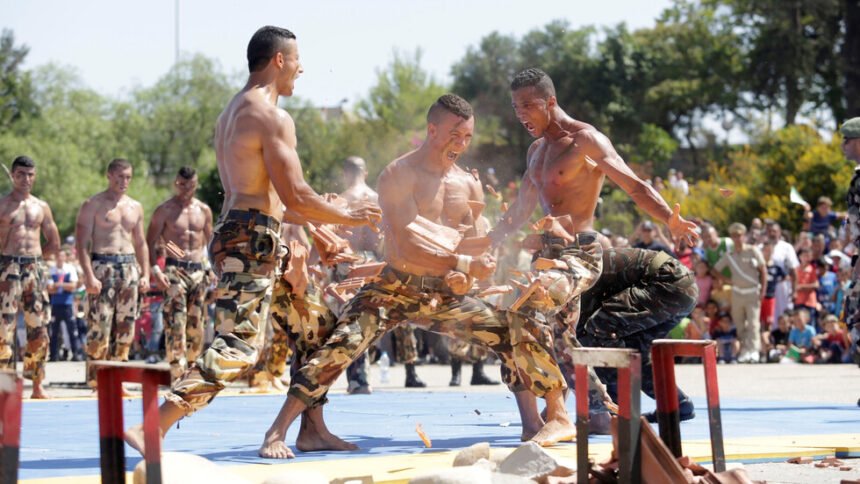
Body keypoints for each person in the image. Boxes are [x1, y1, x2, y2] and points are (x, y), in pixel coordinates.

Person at [257, 94, 578, 458]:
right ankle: (277, 431)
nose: (461, 144)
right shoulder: (398, 173)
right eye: (455, 134)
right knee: (340, 344)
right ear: (432, 130)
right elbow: (408, 241)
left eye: (468, 138)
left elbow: (471, 242)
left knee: (515, 329)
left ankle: (541, 419)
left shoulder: (469, 185)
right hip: (394, 288)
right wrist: (462, 263)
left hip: (444, 295)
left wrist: (485, 256)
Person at [124, 25, 381, 457]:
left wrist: (322, 219)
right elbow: (294, 196)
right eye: (297, 60)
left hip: (254, 235)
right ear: (279, 60)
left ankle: (313, 429)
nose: (302, 69)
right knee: (241, 345)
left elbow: (281, 200)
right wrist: (347, 214)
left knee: (317, 329)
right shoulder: (271, 116)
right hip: (251, 240)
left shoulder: (233, 112)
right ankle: (155, 424)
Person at [488, 68, 699, 429]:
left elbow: (633, 185)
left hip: (579, 253)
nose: (521, 114)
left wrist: (670, 219)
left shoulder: (586, 140)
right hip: (547, 257)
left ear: (551, 102)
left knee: (553, 323)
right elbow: (521, 209)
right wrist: (488, 241)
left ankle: (595, 408)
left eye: (528, 105)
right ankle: (560, 414)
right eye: (515, 106)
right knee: (527, 327)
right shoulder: (536, 151)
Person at [338, 156, 426, 390]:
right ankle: (409, 370)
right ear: (365, 173)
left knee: (354, 319)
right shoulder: (379, 200)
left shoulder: (342, 200)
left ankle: (359, 378)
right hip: (380, 262)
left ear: (345, 174)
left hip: (353, 264)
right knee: (393, 315)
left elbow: (336, 239)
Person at [75, 158, 150, 389]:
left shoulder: (135, 206)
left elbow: (140, 243)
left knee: (126, 326)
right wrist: (88, 275)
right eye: (119, 176)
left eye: (128, 177)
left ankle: (119, 380)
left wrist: (145, 273)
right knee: (100, 324)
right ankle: (97, 380)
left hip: (129, 268)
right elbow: (81, 244)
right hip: (102, 266)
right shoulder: (93, 204)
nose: (124, 181)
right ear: (109, 176)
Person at [0, 155, 61, 398]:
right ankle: (4, 385)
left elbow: (54, 242)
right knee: (4, 329)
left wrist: (35, 261)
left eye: (30, 174)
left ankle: (37, 384)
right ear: (13, 176)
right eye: (21, 174)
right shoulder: (3, 205)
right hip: (7, 268)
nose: (26, 179)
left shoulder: (41, 207)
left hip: (35, 268)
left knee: (39, 327)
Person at [146, 166, 214, 381]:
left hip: (199, 270)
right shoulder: (165, 210)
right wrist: (156, 270)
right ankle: (177, 372)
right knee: (175, 323)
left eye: (191, 185)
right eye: (182, 184)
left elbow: (211, 243)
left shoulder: (203, 210)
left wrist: (212, 269)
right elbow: (150, 242)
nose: (186, 189)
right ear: (176, 183)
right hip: (175, 269)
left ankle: (193, 370)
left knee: (197, 325)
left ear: (196, 184)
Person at [712, 223, 767, 363]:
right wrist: (727, 280)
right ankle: (743, 350)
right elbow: (715, 269)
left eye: (740, 235)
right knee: (739, 323)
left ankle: (754, 350)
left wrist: (763, 291)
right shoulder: (729, 255)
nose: (737, 238)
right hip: (737, 292)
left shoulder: (753, 250)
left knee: (753, 323)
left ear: (744, 236)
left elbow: (763, 270)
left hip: (752, 291)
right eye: (734, 236)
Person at [764, 220, 799, 329]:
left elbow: (793, 271)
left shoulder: (786, 247)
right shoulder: (761, 247)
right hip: (767, 287)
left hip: (782, 285)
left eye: (774, 231)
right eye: (769, 231)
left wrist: (794, 291)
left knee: (785, 314)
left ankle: (787, 338)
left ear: (779, 232)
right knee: (770, 317)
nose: (772, 233)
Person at [48, 247, 80, 361]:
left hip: (67, 304)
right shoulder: (51, 270)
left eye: (62, 256)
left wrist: (59, 285)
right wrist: (64, 285)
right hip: (55, 304)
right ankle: (53, 355)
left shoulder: (70, 269)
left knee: (72, 330)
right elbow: (49, 289)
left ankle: (76, 353)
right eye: (58, 256)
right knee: (54, 331)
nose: (60, 258)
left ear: (65, 257)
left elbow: (73, 287)